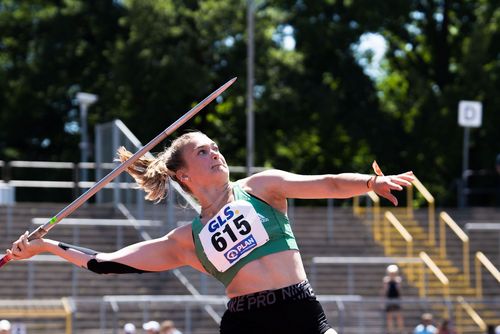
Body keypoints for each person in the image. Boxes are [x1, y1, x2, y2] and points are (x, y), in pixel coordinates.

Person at [6, 131, 414, 334]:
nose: (215, 152)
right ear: (183, 174)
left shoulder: (260, 187)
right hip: (247, 324)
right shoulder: (186, 240)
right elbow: (106, 263)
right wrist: (46, 246)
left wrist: (368, 183)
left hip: (301, 311)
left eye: (215, 147)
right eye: (203, 151)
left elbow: (325, 183)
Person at [382, 264, 404, 334]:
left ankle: (400, 330)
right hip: (389, 299)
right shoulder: (386, 280)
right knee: (389, 316)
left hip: (396, 299)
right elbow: (385, 291)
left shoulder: (398, 280)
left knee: (399, 315)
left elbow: (399, 291)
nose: (392, 274)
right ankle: (390, 331)